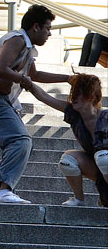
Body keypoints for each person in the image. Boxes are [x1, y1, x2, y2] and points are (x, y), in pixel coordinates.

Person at [0, 4, 75, 204]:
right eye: (48, 28)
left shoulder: (27, 46)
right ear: (36, 27)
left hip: (0, 99)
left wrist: (67, 78)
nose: (49, 34)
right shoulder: (17, 40)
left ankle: (3, 187)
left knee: (22, 143)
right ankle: (4, 191)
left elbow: (35, 75)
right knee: (21, 140)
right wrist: (23, 80)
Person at [25, 73, 108, 207]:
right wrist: (28, 84)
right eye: (73, 92)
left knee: (103, 157)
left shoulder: (106, 117)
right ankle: (78, 199)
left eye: (79, 93)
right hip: (98, 167)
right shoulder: (74, 114)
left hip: (104, 162)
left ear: (91, 96)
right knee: (68, 160)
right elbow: (45, 97)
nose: (73, 97)